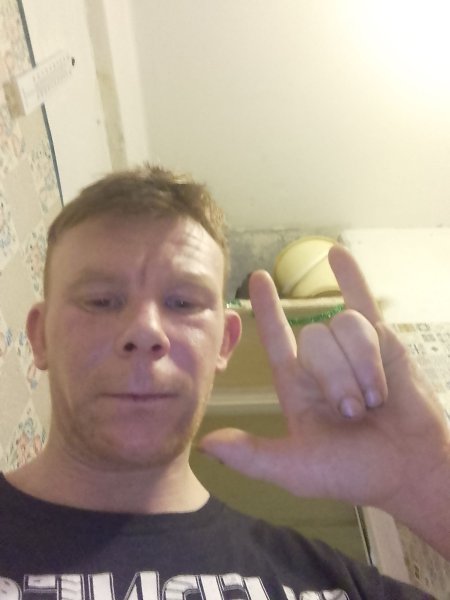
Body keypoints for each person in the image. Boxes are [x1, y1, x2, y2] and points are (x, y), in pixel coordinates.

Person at [0, 165, 448, 600]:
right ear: (39, 337)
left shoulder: (327, 583)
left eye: (182, 302)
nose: (146, 330)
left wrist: (427, 485)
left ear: (225, 343)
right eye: (101, 300)